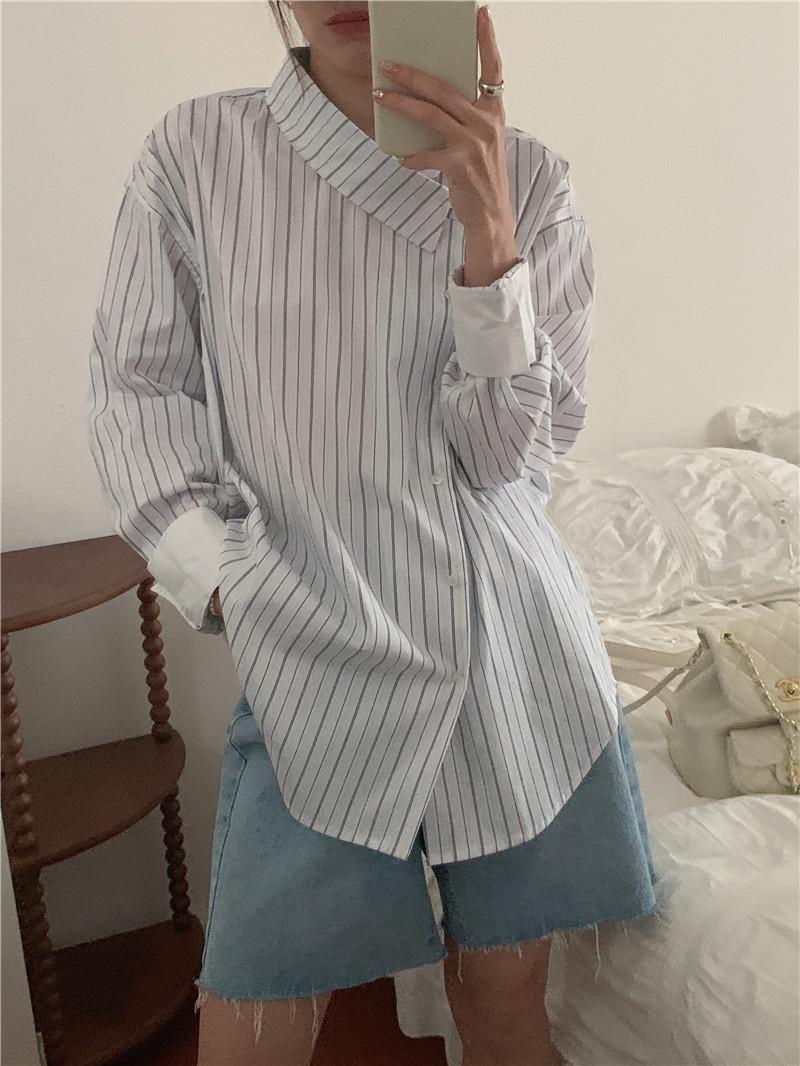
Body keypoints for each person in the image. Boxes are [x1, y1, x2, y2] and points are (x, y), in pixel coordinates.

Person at [85, 3, 661, 1063]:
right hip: (312, 643)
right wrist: (228, 582)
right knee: (251, 1023)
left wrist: (487, 236)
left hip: (513, 658)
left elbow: (508, 461)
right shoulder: (198, 152)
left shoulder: (530, 180)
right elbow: (140, 395)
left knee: (504, 1008)